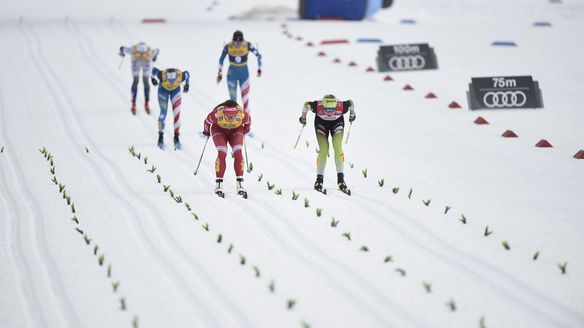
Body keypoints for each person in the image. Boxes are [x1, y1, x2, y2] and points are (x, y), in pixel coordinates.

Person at [299, 94, 356, 194]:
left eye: (332, 110)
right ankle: (319, 180)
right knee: (324, 149)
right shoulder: (317, 106)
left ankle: (341, 179)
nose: (329, 112)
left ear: (336, 106)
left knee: (337, 146)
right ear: (323, 106)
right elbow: (306, 104)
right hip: (321, 123)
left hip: (337, 123)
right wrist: (303, 118)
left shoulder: (342, 106)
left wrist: (352, 115)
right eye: (327, 110)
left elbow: (351, 102)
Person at [203, 100, 251, 198]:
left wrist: (246, 130)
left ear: (237, 113)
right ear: (223, 112)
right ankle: (219, 185)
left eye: (233, 116)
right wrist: (206, 132)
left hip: (236, 130)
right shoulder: (216, 114)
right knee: (222, 152)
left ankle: (240, 185)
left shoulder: (242, 115)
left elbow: (249, 121)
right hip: (219, 130)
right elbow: (207, 121)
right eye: (228, 116)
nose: (230, 118)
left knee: (238, 152)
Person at [216, 30, 262, 114]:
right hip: (232, 73)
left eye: (239, 42)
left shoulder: (247, 45)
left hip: (244, 73)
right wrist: (219, 73)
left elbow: (259, 55)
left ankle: (247, 123)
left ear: (242, 40)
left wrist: (259, 68)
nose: (237, 44)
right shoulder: (228, 46)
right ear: (233, 40)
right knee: (233, 101)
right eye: (235, 42)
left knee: (245, 100)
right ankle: (233, 122)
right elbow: (221, 60)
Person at [151, 67, 190, 150]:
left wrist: (152, 78)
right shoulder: (162, 75)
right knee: (163, 113)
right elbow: (154, 70)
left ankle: (176, 137)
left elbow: (187, 74)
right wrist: (187, 84)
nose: (171, 83)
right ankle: (160, 137)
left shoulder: (180, 75)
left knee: (176, 114)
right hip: (163, 90)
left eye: (173, 81)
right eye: (169, 81)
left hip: (174, 91)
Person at [119, 42, 159, 115]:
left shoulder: (142, 50)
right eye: (139, 53)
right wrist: (155, 57)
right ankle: (136, 103)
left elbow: (124, 48)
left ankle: (143, 103)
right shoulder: (136, 50)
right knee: (137, 81)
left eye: (143, 53)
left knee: (144, 81)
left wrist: (122, 50)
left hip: (144, 63)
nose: (141, 55)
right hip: (138, 63)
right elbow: (157, 50)